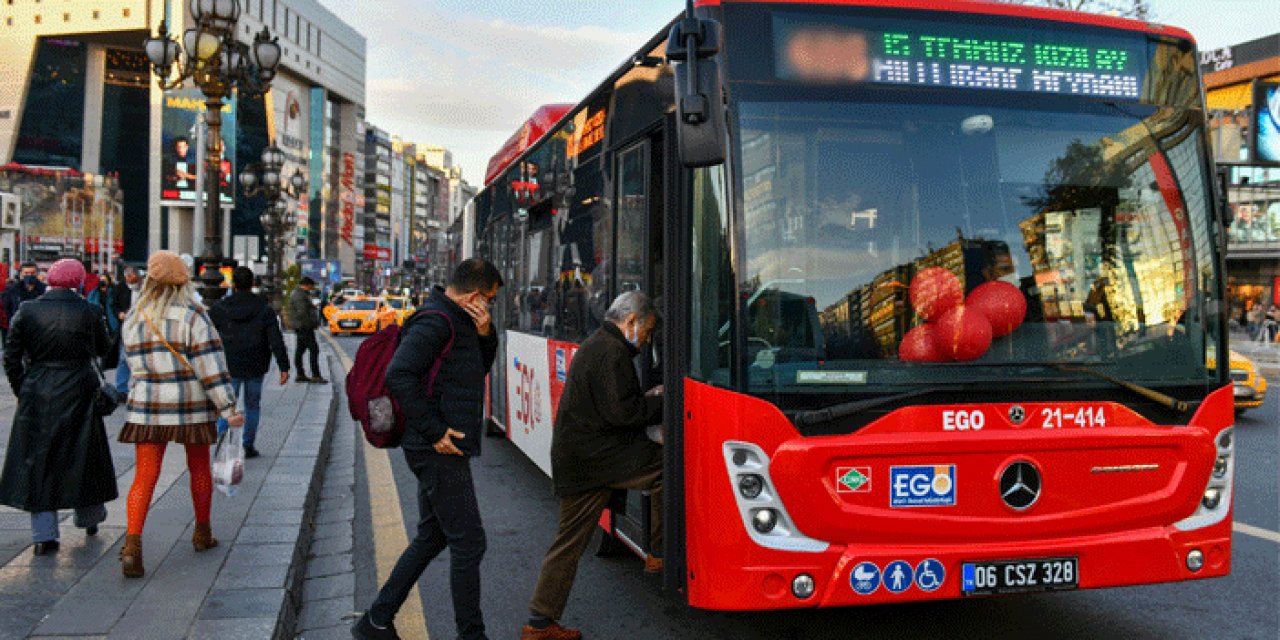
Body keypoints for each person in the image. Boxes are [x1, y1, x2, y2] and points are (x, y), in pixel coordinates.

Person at [352, 259, 503, 640]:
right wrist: (435, 432)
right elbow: (398, 374)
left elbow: (474, 371)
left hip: (439, 446)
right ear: (474, 295)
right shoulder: (437, 321)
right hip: (436, 448)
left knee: (433, 535)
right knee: (469, 543)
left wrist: (486, 333)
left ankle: (376, 620)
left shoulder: (459, 320)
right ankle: (471, 635)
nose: (490, 307)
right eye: (490, 300)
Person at [522, 291, 664, 640]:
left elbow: (615, 404)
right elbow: (623, 413)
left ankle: (540, 622)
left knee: (569, 542)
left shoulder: (601, 344)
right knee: (666, 468)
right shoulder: (611, 352)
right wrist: (661, 402)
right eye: (646, 333)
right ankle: (659, 551)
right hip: (597, 461)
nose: (645, 342)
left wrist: (645, 399)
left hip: (585, 458)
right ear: (631, 321)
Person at [116, 251, 244, 578]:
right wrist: (228, 408)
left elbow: (131, 363)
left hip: (147, 404)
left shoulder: (135, 317)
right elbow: (211, 368)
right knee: (198, 466)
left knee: (145, 474)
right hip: (190, 403)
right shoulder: (193, 317)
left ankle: (132, 544)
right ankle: (202, 532)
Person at [0, 259, 117, 556]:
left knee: (39, 461)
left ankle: (44, 536)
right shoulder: (89, 311)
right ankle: (88, 516)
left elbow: (11, 357)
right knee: (84, 455)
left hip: (39, 388)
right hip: (80, 387)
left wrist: (23, 388)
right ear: (78, 281)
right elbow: (104, 349)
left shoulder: (27, 311)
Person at [208, 267, 290, 459]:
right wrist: (283, 366)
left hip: (229, 364)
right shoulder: (263, 308)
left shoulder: (220, 308)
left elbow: (208, 335)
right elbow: (275, 338)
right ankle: (248, 445)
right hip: (256, 363)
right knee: (253, 405)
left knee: (227, 405)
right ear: (253, 283)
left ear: (233, 284)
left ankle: (222, 442)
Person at [287, 277, 327, 384]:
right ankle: (315, 375)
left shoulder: (298, 294)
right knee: (314, 349)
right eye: (311, 285)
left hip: (301, 326)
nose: (312, 287)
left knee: (300, 350)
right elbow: (303, 313)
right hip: (304, 327)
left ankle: (300, 374)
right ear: (307, 284)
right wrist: (312, 324)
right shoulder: (300, 295)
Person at [2, 262, 48, 344]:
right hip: (18, 330)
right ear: (21, 274)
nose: (29, 275)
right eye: (26, 273)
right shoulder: (13, 290)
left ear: (37, 273)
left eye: (32, 273)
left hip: (39, 330)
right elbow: (7, 307)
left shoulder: (45, 290)